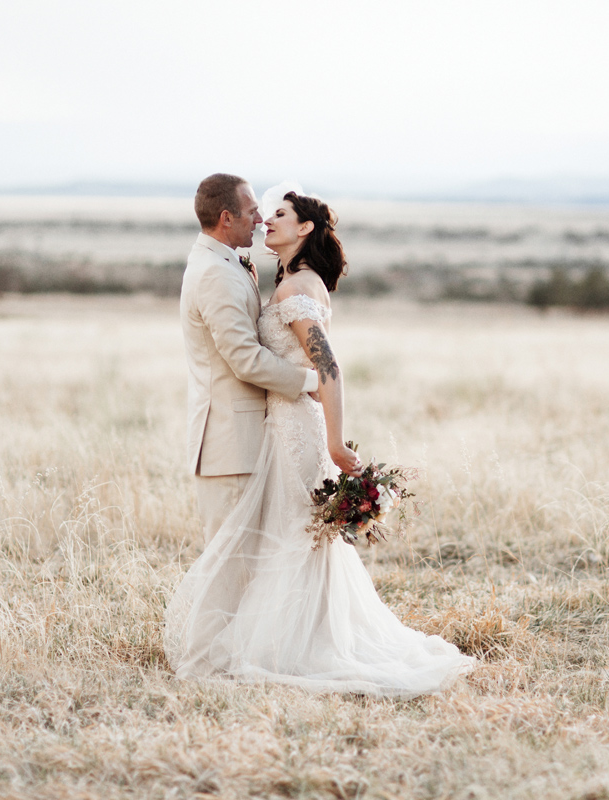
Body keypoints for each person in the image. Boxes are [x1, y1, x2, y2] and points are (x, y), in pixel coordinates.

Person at [167, 186, 476, 697]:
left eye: (280, 214)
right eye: (260, 213)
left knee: (294, 539)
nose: (266, 220)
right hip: (278, 424)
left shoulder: (295, 289)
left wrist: (335, 443)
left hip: (296, 428)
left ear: (305, 228)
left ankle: (295, 649)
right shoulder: (284, 279)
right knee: (290, 540)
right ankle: (282, 642)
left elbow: (329, 368)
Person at [180, 173, 324, 544]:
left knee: (252, 564)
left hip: (249, 442)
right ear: (227, 218)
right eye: (252, 211)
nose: (261, 220)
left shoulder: (226, 264)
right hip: (230, 446)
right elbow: (245, 358)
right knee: (232, 566)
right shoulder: (215, 273)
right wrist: (312, 380)